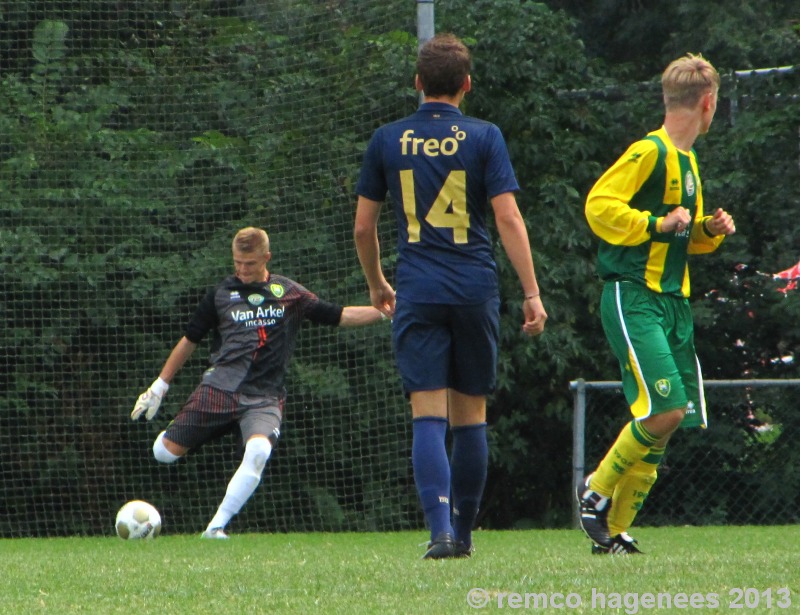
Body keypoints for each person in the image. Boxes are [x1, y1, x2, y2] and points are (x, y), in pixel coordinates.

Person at [354, 33, 547, 559]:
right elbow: (507, 216)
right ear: (466, 84)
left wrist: (376, 284)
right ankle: (462, 536)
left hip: (417, 288)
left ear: (418, 84)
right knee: (471, 418)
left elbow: (363, 228)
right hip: (473, 287)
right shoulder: (485, 136)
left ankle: (438, 530)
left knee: (427, 417)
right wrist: (531, 292)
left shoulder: (387, 138)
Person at [130, 227, 384, 538]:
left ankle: (215, 527)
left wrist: (388, 311)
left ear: (266, 258)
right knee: (163, 453)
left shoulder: (289, 293)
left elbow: (340, 315)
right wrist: (159, 386)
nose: (242, 269)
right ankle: (219, 426)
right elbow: (189, 340)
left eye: (249, 263)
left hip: (264, 398)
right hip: (218, 390)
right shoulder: (221, 295)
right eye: (237, 262)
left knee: (259, 450)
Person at [580, 53, 736, 554]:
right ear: (708, 104)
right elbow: (599, 205)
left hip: (674, 301)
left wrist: (707, 232)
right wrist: (653, 224)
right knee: (666, 409)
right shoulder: (649, 152)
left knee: (669, 417)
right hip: (634, 295)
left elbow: (680, 238)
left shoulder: (689, 163)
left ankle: (615, 533)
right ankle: (596, 492)